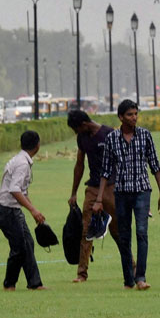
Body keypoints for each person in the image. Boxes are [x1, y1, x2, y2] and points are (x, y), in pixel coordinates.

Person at [94, 100, 160, 290]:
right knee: (124, 236)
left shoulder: (145, 136)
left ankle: (140, 277)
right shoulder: (112, 139)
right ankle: (128, 279)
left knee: (142, 233)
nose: (134, 118)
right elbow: (105, 171)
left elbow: (155, 165)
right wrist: (99, 199)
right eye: (129, 114)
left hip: (142, 191)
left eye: (136, 114)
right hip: (121, 192)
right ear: (120, 117)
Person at [67, 110, 124, 283]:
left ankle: (132, 267)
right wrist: (74, 192)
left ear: (84, 124)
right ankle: (81, 273)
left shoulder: (109, 134)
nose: (76, 134)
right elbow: (79, 165)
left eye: (76, 129)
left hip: (111, 187)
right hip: (92, 188)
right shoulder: (82, 139)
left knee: (117, 231)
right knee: (86, 230)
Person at [0, 130, 47, 291]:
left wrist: (34, 211)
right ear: (37, 145)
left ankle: (35, 283)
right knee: (19, 247)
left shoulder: (20, 159)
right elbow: (14, 190)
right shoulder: (23, 163)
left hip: (12, 209)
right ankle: (9, 284)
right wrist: (32, 210)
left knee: (27, 243)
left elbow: (21, 192)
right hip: (6, 210)